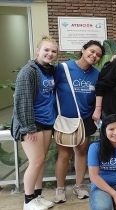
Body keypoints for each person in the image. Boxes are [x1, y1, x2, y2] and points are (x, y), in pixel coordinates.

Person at [53, 40, 104, 203]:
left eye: (98, 55)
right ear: (83, 50)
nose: (94, 56)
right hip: (66, 120)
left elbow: (98, 95)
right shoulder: (63, 68)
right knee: (64, 154)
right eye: (92, 51)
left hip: (85, 120)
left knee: (82, 152)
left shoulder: (96, 74)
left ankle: (79, 185)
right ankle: (60, 189)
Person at [11, 35, 58, 210]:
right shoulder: (28, 71)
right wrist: (27, 127)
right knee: (36, 161)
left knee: (41, 160)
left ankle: (37, 196)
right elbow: (22, 101)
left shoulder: (50, 70)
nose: (50, 54)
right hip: (31, 123)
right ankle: (28, 201)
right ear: (37, 50)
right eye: (46, 50)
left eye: (53, 51)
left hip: (47, 122)